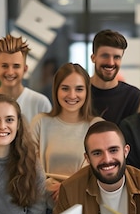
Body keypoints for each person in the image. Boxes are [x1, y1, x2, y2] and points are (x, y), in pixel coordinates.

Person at [30, 63, 103, 206]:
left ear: (87, 92)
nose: (72, 95)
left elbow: (101, 170)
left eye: (79, 89)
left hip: (83, 205)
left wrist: (68, 188)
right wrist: (52, 187)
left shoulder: (97, 126)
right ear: (56, 90)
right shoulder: (40, 122)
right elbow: (27, 166)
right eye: (65, 88)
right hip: (42, 206)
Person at [0, 34, 51, 122]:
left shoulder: (40, 103)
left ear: (25, 69)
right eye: (5, 66)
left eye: (16, 66)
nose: (10, 72)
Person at [90, 29, 140, 124]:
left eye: (117, 57)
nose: (110, 62)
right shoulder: (79, 92)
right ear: (93, 58)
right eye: (105, 56)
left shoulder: (133, 97)